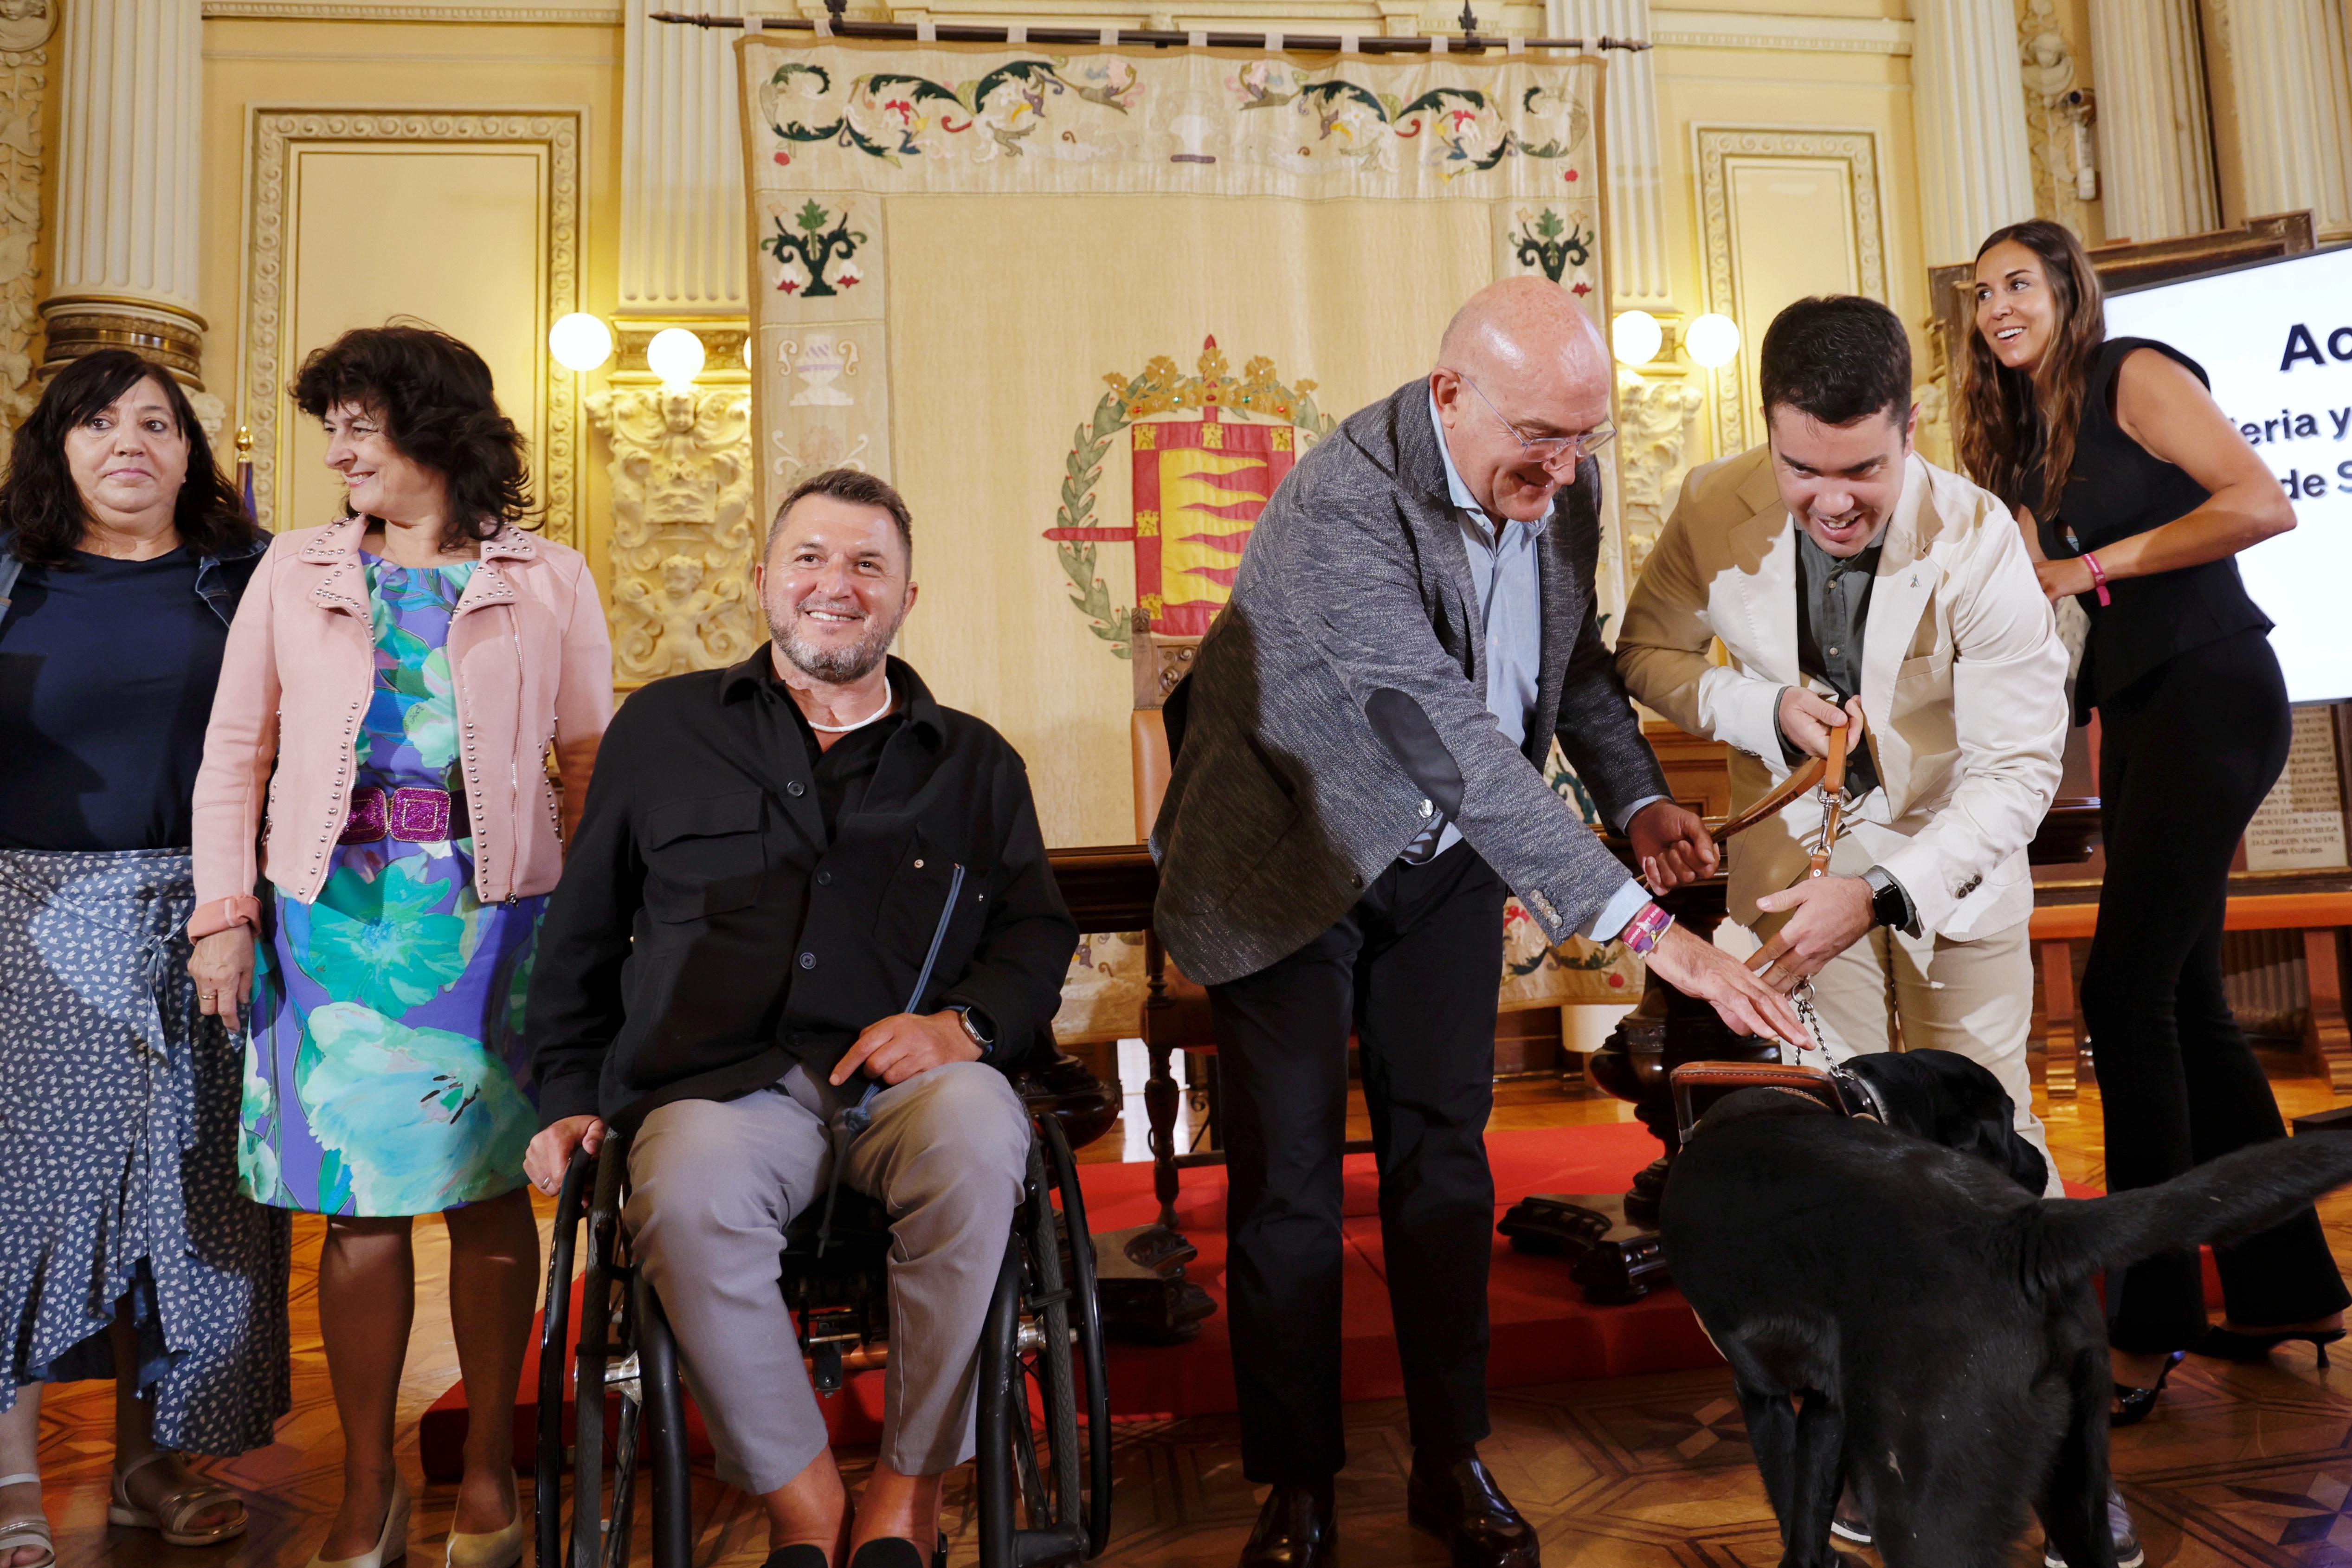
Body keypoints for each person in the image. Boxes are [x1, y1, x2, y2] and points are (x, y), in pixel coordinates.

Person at [1150, 277, 1804, 1568]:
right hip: (1284, 857)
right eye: (1539, 438)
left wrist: (1635, 798)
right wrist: (1646, 931)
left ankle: (1451, 1457)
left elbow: (1568, 666)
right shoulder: (1342, 505)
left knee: (1445, 1164)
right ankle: (1298, 1483)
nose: (1562, 472)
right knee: (1288, 1186)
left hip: (1441, 861)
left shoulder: (1561, 483)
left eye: (1582, 440)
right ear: (1449, 394)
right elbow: (1440, 729)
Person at [522, 468, 1077, 1568]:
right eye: (811, 558)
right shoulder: (664, 730)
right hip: (717, 1090)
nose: (837, 584)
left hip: (908, 1089)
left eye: (869, 564)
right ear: (763, 579)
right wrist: (569, 1096)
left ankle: (908, 1492)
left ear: (907, 598)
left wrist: (963, 1027)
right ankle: (808, 1504)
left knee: (984, 1134)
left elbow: (1035, 933)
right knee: (682, 1191)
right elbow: (582, 931)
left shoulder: (974, 763)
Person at [187, 325, 613, 1568]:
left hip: (500, 917)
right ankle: (367, 1484)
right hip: (329, 917)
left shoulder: (549, 576)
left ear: (437, 429)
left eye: (359, 427)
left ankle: (487, 1472)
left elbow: (589, 761)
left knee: (493, 1193)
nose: (339, 452)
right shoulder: (293, 566)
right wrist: (223, 914)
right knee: (355, 1209)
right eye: (331, 429)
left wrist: (594, 934)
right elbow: (235, 752)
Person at [1960, 221, 2342, 1426]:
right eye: (1980, 293)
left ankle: (2147, 1321)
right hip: (2134, 709)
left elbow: (2260, 503)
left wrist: (2090, 568)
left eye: (2017, 283)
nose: (1996, 306)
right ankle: (2286, 1287)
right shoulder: (2025, 442)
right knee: (2184, 1000)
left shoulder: (2130, 372)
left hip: (2213, 686)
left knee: (2124, 997)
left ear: (2067, 289)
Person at [1616, 295, 2068, 1175]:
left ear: (1910, 427)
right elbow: (1644, 652)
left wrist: (1879, 893)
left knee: (1986, 1136)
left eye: (1863, 470)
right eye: (1800, 469)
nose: (1831, 503)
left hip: (1955, 859)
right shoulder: (1709, 501)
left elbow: (2016, 769)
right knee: (1840, 1138)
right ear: (1767, 430)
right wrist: (1764, 709)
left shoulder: (1977, 536)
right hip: (1792, 870)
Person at [0, 350, 291, 1568]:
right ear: (56, 446)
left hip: (214, 914)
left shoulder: (252, 578)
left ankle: (149, 1462)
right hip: (35, 918)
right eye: (99, 421)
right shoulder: (11, 576)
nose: (129, 440)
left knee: (196, 1198)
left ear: (191, 452)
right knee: (34, 1198)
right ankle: (13, 1472)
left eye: (158, 423)